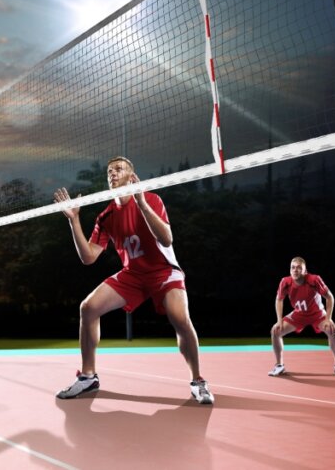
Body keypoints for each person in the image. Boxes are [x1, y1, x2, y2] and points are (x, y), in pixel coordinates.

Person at [53, 156, 214, 404]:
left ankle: (198, 382)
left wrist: (142, 205)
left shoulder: (151, 199)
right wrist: (74, 220)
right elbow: (88, 257)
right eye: (109, 171)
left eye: (119, 169)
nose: (113, 174)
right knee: (89, 307)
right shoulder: (105, 216)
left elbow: (167, 239)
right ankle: (88, 377)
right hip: (134, 274)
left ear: (132, 175)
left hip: (163, 270)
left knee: (180, 317)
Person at [269, 256, 335, 377]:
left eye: (299, 268)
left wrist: (328, 319)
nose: (295, 270)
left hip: (317, 314)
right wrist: (278, 321)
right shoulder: (285, 282)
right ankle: (279, 365)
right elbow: (279, 300)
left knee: (332, 330)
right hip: (299, 314)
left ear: (305, 271)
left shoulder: (314, 280)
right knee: (275, 331)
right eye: (292, 267)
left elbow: (330, 297)